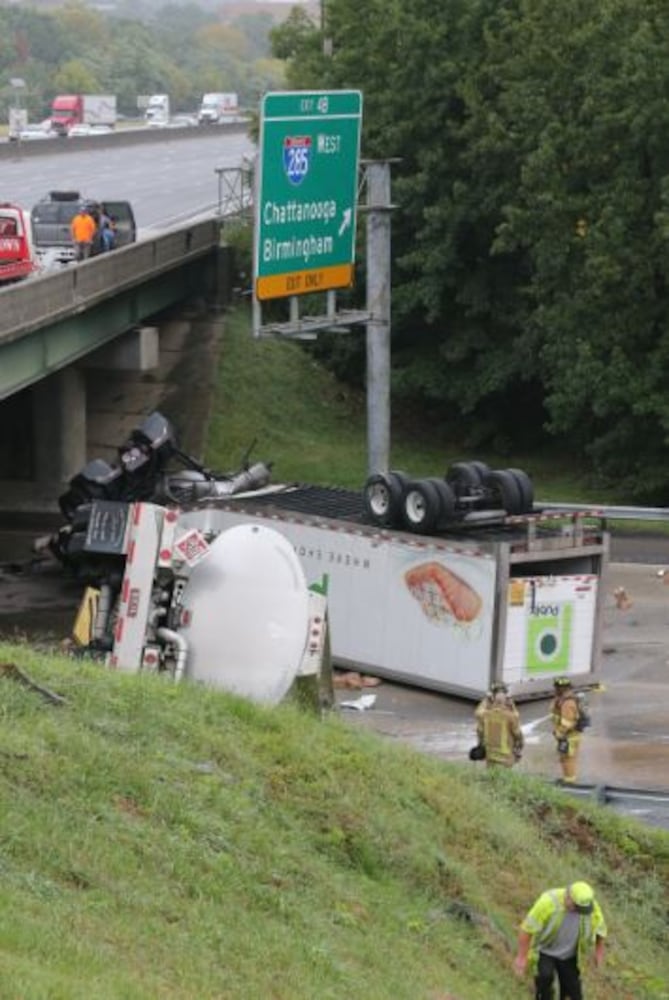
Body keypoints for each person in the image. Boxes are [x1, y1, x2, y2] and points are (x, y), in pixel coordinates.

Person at [514, 881, 607, 1000]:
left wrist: (599, 952)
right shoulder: (548, 902)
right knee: (544, 978)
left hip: (570, 956)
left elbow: (600, 929)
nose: (578, 911)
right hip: (545, 950)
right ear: (568, 897)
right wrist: (521, 957)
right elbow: (527, 929)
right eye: (576, 907)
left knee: (573, 994)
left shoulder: (589, 907)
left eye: (581, 909)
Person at [474, 680, 524, 767]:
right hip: (506, 759)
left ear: (493, 698)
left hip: (490, 757)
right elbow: (518, 735)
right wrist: (513, 707)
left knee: (492, 778)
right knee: (505, 780)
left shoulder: (485, 715)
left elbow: (478, 714)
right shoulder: (511, 716)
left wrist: (486, 700)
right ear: (506, 699)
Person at [552, 676, 582, 784]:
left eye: (556, 687)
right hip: (567, 736)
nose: (554, 690)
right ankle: (567, 778)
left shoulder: (568, 703)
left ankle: (570, 782)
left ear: (562, 688)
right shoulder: (563, 700)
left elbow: (567, 723)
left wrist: (559, 733)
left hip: (569, 737)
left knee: (568, 760)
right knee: (564, 759)